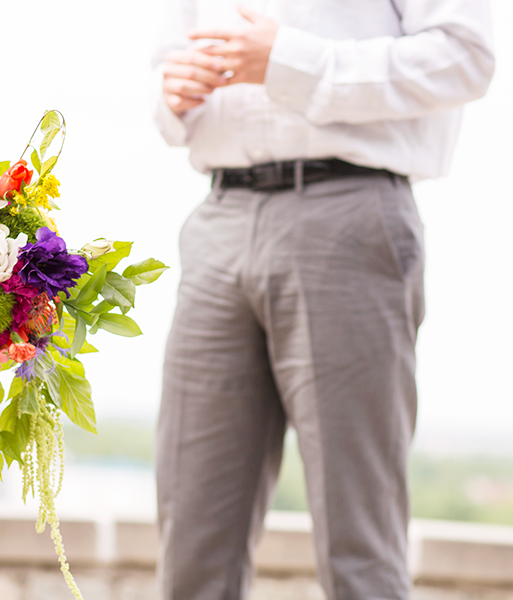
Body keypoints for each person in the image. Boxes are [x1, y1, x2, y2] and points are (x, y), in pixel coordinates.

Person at [152, 1, 494, 599]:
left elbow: (465, 56)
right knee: (191, 550)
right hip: (219, 215)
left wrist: (289, 60)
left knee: (359, 548)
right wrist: (170, 94)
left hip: (349, 211)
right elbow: (166, 68)